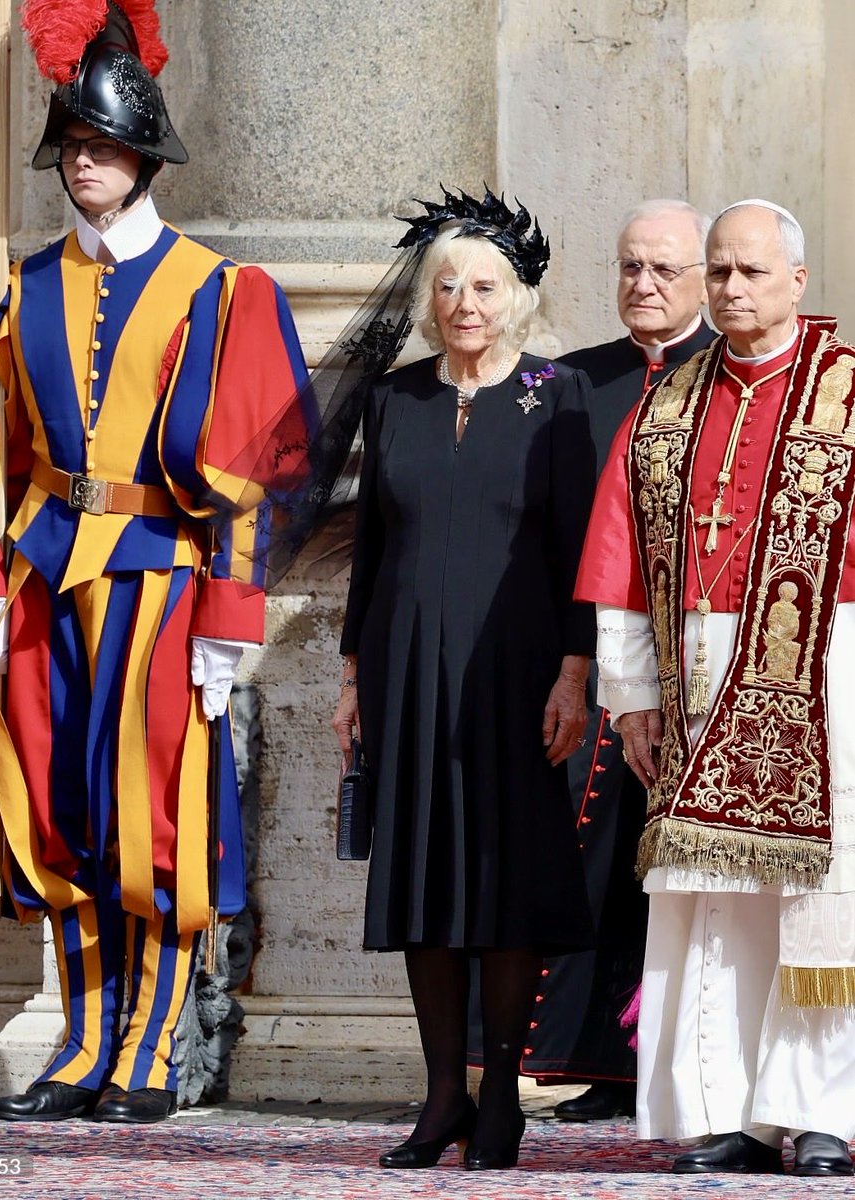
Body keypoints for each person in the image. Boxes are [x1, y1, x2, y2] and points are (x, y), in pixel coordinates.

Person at [0, 0, 307, 1124]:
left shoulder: (219, 292)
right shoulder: (25, 288)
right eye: (73, 147)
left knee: (152, 815)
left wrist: (231, 617)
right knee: (53, 802)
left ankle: (145, 1049)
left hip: (162, 575)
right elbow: (18, 455)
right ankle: (80, 1044)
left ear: (143, 158)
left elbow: (252, 471)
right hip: (45, 576)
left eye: (105, 147)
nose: (86, 164)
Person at [576, 198, 855, 1177]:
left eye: (750, 271)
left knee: (813, 894)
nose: (733, 288)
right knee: (713, 898)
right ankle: (728, 1107)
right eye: (720, 272)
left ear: (796, 280)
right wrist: (629, 695)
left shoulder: (846, 396)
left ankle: (819, 1111)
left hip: (826, 667)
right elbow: (616, 556)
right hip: (692, 667)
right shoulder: (664, 406)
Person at [331, 187, 596, 1171]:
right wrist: (354, 674)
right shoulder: (394, 399)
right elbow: (369, 551)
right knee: (424, 879)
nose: (462, 301)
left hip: (517, 672)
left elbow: (582, 551)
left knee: (502, 879)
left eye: (482, 284)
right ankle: (440, 1093)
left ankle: (499, 1097)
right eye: (446, 284)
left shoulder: (554, 397)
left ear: (515, 296)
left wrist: (574, 673)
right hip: (404, 673)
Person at [522, 201, 714, 1124]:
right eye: (629, 267)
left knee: (676, 868)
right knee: (594, 855)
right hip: (592, 654)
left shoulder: (732, 375)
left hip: (700, 660)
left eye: (663, 271)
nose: (642, 285)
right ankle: (599, 1063)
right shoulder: (576, 380)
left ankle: (679, 1063)